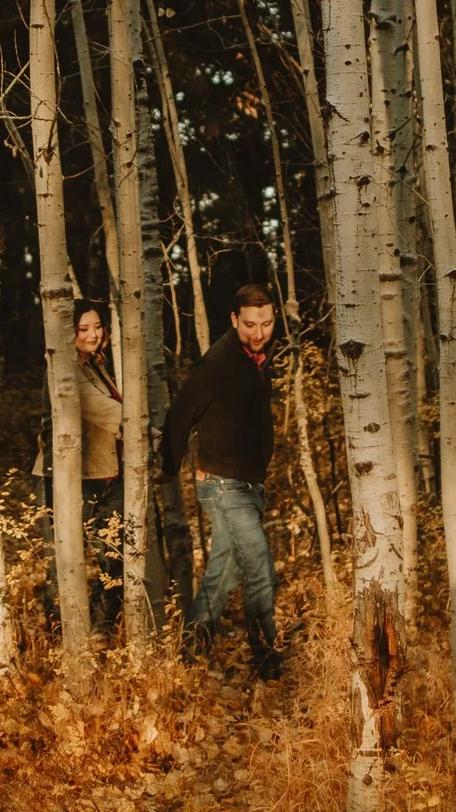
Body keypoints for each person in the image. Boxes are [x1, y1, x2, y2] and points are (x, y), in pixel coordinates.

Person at [159, 283, 280, 678]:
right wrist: (166, 468)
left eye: (265, 323)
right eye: (249, 325)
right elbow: (180, 415)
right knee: (259, 567)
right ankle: (266, 662)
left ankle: (188, 656)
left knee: (222, 575)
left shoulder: (258, 358)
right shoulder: (218, 363)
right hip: (224, 486)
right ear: (233, 320)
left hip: (248, 486)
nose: (258, 332)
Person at [74, 299, 126, 630]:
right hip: (86, 478)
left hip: (110, 473)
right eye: (83, 329)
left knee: (115, 559)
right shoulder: (68, 371)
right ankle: (82, 632)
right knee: (80, 563)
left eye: (97, 326)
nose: (93, 334)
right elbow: (105, 411)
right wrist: (149, 426)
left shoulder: (95, 364)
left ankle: (102, 629)